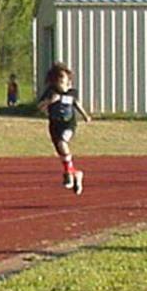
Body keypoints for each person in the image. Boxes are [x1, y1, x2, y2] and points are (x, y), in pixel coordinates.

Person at [37, 62, 92, 195]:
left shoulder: (72, 93)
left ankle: (68, 173)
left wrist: (85, 115)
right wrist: (50, 101)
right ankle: (76, 174)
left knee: (63, 142)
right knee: (63, 154)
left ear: (68, 80)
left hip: (69, 125)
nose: (61, 82)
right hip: (54, 126)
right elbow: (39, 107)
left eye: (63, 79)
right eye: (58, 80)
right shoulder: (50, 93)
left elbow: (76, 104)